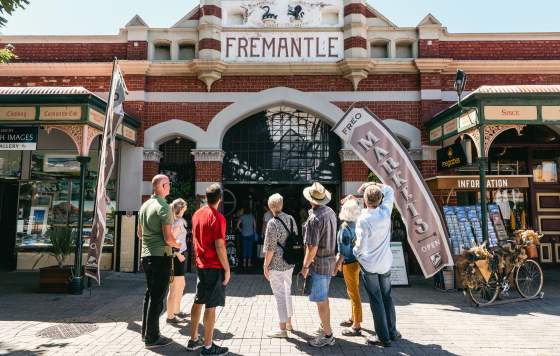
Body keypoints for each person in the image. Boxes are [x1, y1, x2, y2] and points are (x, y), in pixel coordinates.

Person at [354, 182, 401, 347]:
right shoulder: (385, 211)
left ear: (365, 201)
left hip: (370, 265)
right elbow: (389, 189)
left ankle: (383, 337)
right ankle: (392, 331)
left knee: (376, 299)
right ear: (380, 199)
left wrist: (356, 253)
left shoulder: (363, 219)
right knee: (387, 296)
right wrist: (372, 184)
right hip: (385, 263)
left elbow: (360, 245)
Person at [137, 174, 181, 349]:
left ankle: (146, 333)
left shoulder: (145, 205)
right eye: (168, 184)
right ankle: (152, 338)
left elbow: (140, 234)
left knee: (150, 295)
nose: (169, 187)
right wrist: (177, 244)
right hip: (160, 257)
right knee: (157, 298)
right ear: (162, 186)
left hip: (146, 255)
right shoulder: (163, 207)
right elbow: (168, 238)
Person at [187, 184, 230, 356]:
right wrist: (227, 269)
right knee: (211, 306)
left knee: (198, 300)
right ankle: (207, 346)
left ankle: (193, 339)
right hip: (213, 266)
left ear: (206, 196)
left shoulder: (197, 214)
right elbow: (220, 246)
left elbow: (196, 239)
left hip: (201, 264)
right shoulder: (218, 218)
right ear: (220, 198)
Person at [300, 182, 337, 348]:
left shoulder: (314, 218)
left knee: (321, 301)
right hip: (329, 261)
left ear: (310, 200)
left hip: (319, 263)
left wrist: (305, 266)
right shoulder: (330, 212)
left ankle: (328, 335)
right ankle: (324, 327)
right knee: (324, 298)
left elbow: (312, 247)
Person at [262, 193, 297, 338]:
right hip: (290, 262)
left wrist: (265, 265)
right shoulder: (290, 219)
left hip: (276, 264)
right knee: (287, 291)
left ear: (271, 207)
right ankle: (289, 323)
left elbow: (270, 248)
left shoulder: (272, 223)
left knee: (279, 295)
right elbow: (295, 237)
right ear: (281, 205)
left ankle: (282, 329)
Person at [333, 195, 363, 337]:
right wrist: (353, 199)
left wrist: (336, 266)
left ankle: (356, 325)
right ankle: (353, 318)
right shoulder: (357, 223)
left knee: (353, 293)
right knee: (353, 291)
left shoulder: (344, 228)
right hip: (356, 262)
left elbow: (343, 252)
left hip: (349, 263)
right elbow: (357, 205)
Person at [166, 198, 188, 324]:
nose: (185, 211)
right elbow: (170, 240)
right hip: (177, 256)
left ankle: (176, 311)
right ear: (180, 209)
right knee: (174, 287)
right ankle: (170, 316)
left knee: (181, 285)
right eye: (184, 208)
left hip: (179, 255)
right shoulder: (178, 222)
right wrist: (177, 253)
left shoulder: (177, 221)